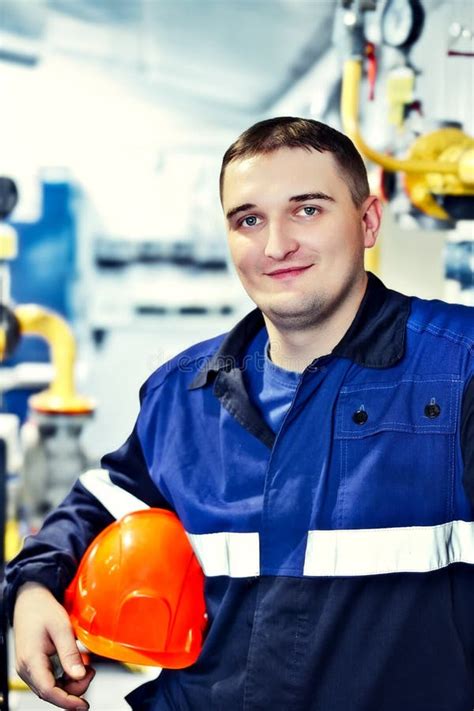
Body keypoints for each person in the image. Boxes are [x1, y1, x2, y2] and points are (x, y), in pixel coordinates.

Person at [6, 117, 474, 711]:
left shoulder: (459, 373)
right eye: (249, 219)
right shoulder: (186, 392)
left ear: (368, 221)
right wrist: (31, 586)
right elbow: (102, 504)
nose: (276, 245)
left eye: (307, 210)